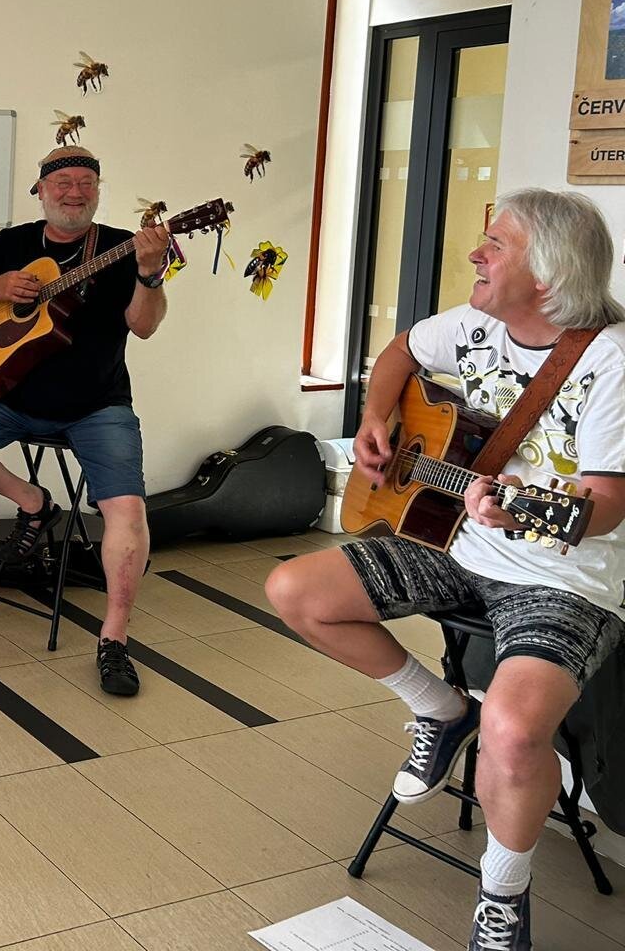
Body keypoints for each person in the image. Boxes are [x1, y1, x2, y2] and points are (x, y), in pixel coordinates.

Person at [266, 189, 625, 951]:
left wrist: (524, 511)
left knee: (514, 731)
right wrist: (375, 418)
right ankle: (440, 708)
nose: (475, 253)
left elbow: (604, 504)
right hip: (455, 541)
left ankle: (502, 897)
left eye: (497, 245)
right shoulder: (474, 326)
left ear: (548, 277)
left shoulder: (612, 363)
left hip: (560, 577)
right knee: (293, 589)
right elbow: (400, 351)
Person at [0, 146, 171, 696]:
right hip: (14, 397)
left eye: (86, 183)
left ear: (98, 191)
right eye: (63, 183)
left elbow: (145, 326)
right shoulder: (15, 243)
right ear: (41, 190)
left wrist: (150, 275)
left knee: (127, 511)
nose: (74, 192)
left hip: (99, 405)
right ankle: (34, 503)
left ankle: (114, 637)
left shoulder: (124, 247)